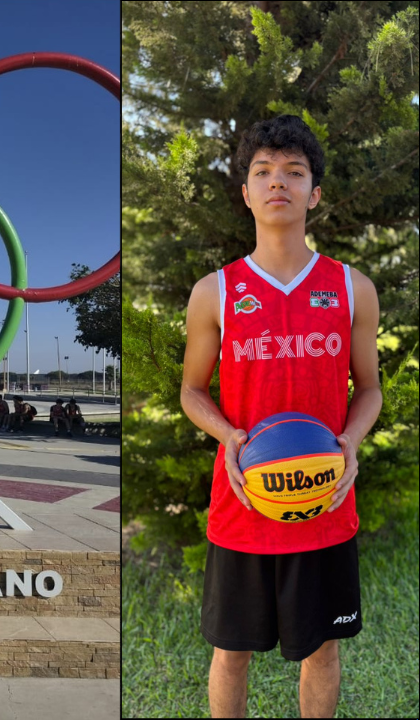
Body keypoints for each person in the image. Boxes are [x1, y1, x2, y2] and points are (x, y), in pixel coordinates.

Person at [180, 115, 379, 718]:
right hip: (244, 502)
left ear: (314, 193)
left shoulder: (352, 288)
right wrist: (229, 436)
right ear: (245, 192)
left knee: (321, 653)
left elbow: (369, 390)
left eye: (294, 172)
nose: (278, 183)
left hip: (324, 500)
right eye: (263, 171)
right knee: (231, 654)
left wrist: (349, 439)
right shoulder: (214, 291)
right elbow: (192, 392)